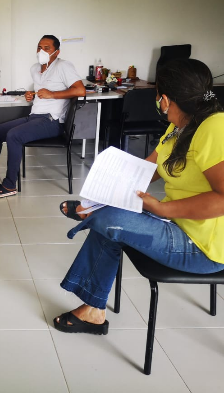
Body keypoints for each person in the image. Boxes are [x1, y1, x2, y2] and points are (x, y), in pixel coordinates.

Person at [55, 59, 224, 335]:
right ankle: (93, 308)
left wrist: (162, 209)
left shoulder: (215, 128)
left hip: (203, 246)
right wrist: (106, 192)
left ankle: (93, 217)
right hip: (176, 223)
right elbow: (150, 169)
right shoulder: (181, 123)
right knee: (108, 219)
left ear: (165, 99)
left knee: (108, 221)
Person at [0, 35, 86, 198]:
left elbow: (80, 90)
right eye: (39, 47)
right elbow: (42, 91)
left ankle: (9, 185)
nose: (41, 51)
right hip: (35, 117)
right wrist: (31, 95)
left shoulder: (64, 66)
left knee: (14, 135)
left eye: (47, 48)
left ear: (57, 52)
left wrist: (52, 94)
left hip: (52, 121)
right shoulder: (35, 69)